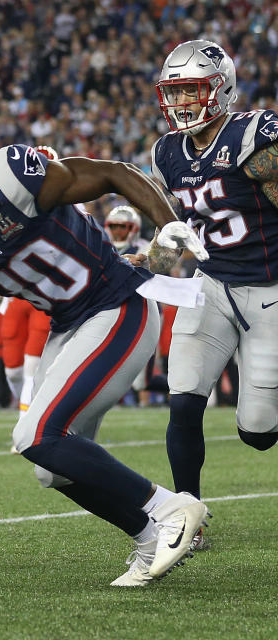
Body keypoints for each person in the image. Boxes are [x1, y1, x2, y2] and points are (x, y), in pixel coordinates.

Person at [0, 126, 211, 587]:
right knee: (50, 468)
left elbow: (112, 173)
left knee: (36, 434)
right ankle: (150, 535)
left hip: (117, 303)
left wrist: (166, 221)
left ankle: (170, 507)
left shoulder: (9, 182)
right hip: (71, 323)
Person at [152, 40, 278, 550]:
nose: (181, 102)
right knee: (183, 399)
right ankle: (188, 518)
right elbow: (177, 236)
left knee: (258, 433)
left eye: (191, 89)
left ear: (220, 88)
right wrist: (149, 262)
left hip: (269, 292)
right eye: (174, 91)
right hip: (210, 287)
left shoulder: (255, 139)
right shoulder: (167, 153)